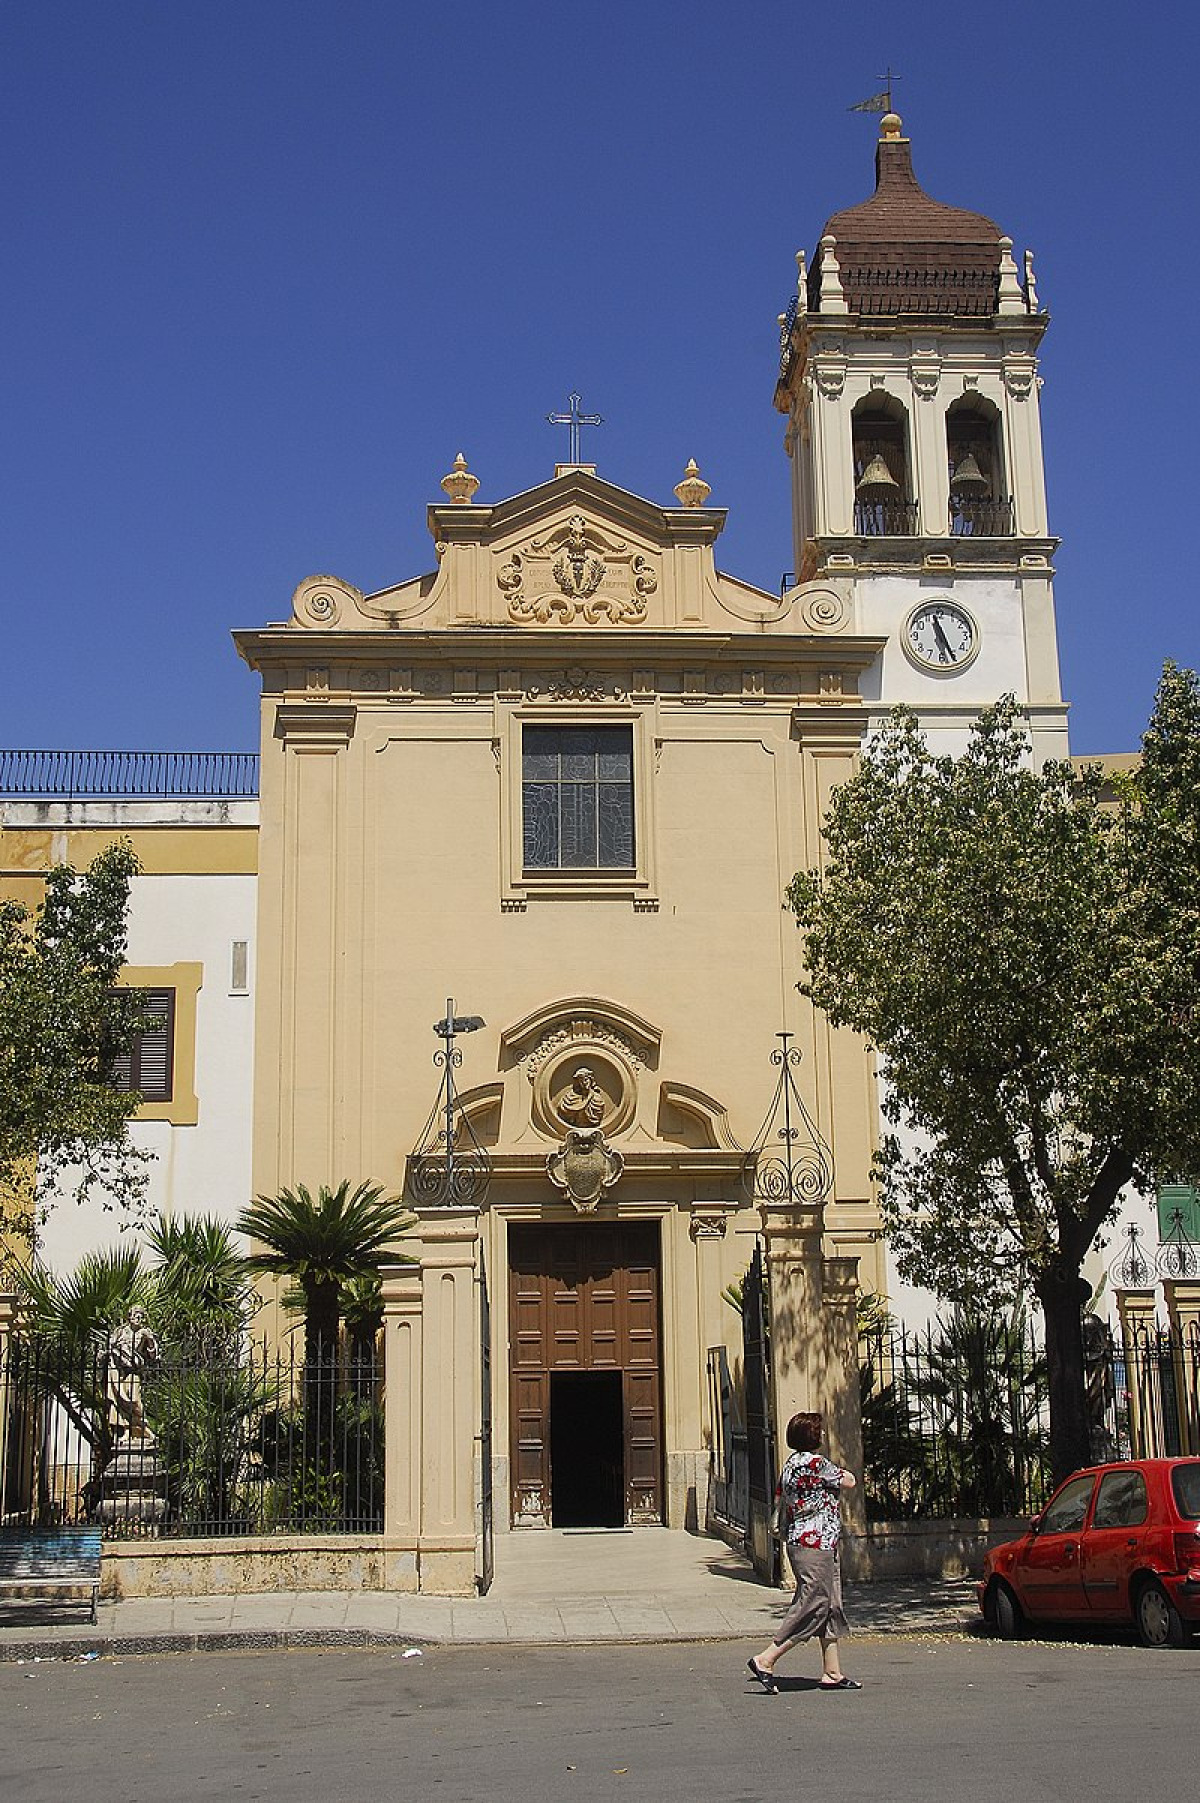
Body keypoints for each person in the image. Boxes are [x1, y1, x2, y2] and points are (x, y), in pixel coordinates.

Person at [747, 1410, 861, 1693]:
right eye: (819, 1430)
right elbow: (849, 1481)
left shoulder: (790, 1465)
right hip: (815, 1544)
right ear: (811, 1436)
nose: (822, 1434)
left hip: (808, 1542)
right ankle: (766, 1658)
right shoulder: (816, 1464)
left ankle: (832, 1672)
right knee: (813, 1603)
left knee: (830, 1603)